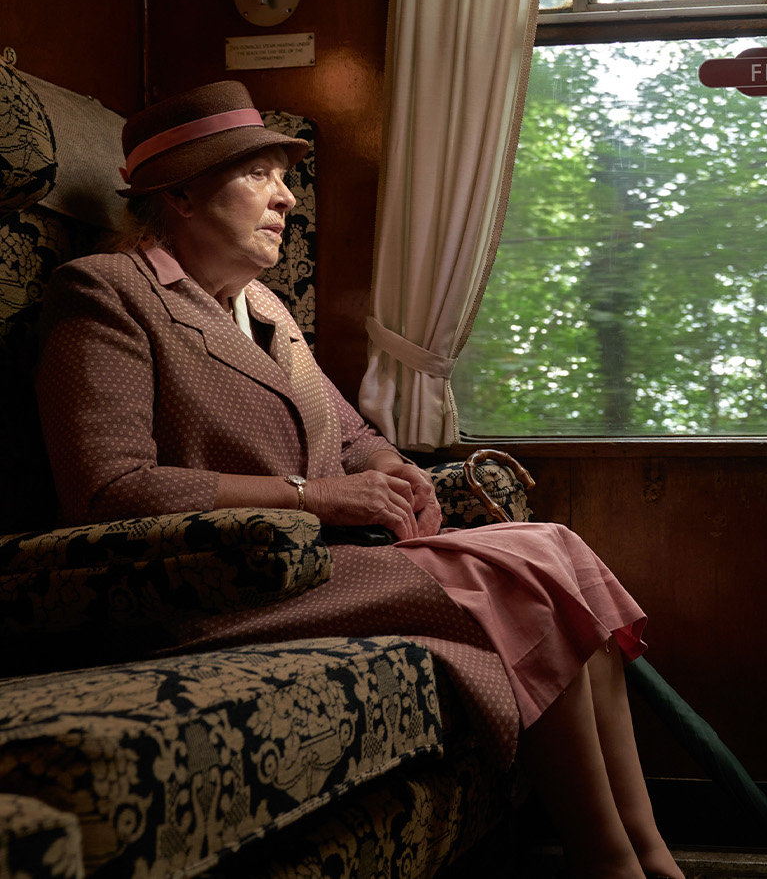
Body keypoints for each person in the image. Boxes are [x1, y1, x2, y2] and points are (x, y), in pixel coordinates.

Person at [33, 81, 683, 879]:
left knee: (556, 548)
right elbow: (108, 489)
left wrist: (389, 468)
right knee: (523, 580)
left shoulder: (265, 310)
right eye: (261, 176)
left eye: (286, 177)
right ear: (183, 195)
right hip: (208, 588)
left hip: (318, 564)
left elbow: (356, 434)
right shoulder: (105, 292)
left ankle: (652, 852)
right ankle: (609, 863)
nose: (287, 198)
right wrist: (315, 498)